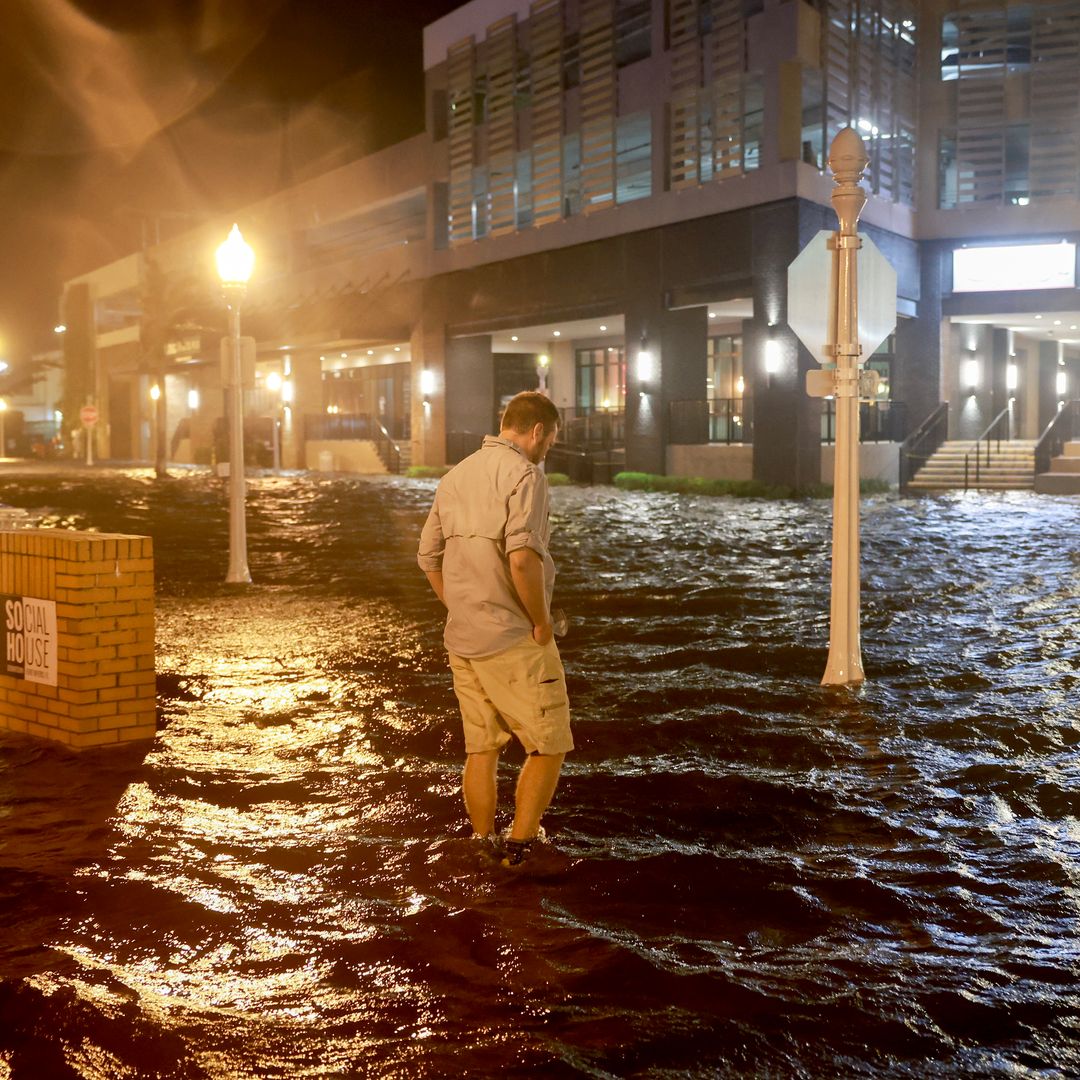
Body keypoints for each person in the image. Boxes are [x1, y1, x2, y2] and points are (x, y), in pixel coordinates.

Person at [417, 391, 572, 867]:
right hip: (511, 639)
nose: (548, 449)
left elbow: (427, 557)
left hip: (463, 639)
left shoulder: (455, 476)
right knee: (548, 743)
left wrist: (461, 606)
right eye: (551, 440)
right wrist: (542, 623)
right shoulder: (526, 475)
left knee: (482, 749)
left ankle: (483, 842)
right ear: (538, 431)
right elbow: (523, 558)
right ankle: (520, 849)